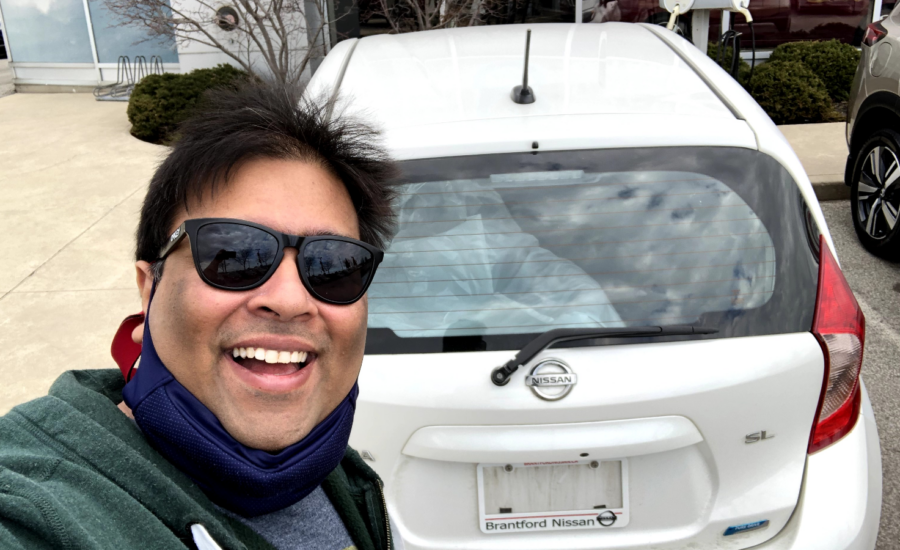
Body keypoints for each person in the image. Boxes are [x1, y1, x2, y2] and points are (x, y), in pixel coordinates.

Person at [0, 83, 399, 550]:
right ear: (149, 288)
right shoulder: (37, 510)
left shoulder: (343, 476)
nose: (291, 300)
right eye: (233, 254)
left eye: (332, 265)